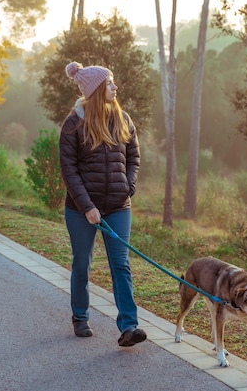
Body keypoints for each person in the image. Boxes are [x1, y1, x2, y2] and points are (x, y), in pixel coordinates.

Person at [59, 61, 146, 347]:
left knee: (120, 265)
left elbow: (133, 156)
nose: (115, 87)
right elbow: (69, 170)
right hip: (81, 209)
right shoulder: (74, 124)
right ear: (97, 90)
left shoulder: (123, 118)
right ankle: (80, 317)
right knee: (82, 263)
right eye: (109, 83)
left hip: (119, 206)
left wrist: (128, 186)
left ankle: (129, 327)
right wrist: (87, 207)